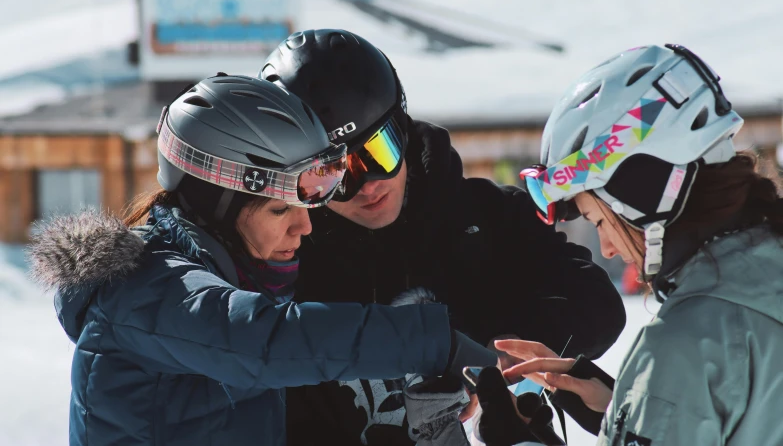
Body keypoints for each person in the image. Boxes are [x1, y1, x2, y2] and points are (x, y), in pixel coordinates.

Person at [26, 75, 497, 446]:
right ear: (220, 205)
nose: (304, 227)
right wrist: (437, 341)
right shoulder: (147, 286)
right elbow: (263, 340)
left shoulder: (242, 274)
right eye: (280, 209)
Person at [259, 29, 626, 444]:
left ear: (403, 128)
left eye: (380, 152)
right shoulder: (286, 259)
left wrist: (481, 352)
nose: (368, 186)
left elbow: (597, 306)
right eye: (334, 173)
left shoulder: (485, 216)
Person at [477, 43, 783, 445]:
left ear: (643, 193)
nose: (605, 248)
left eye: (598, 220)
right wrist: (625, 406)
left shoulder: (688, 341)